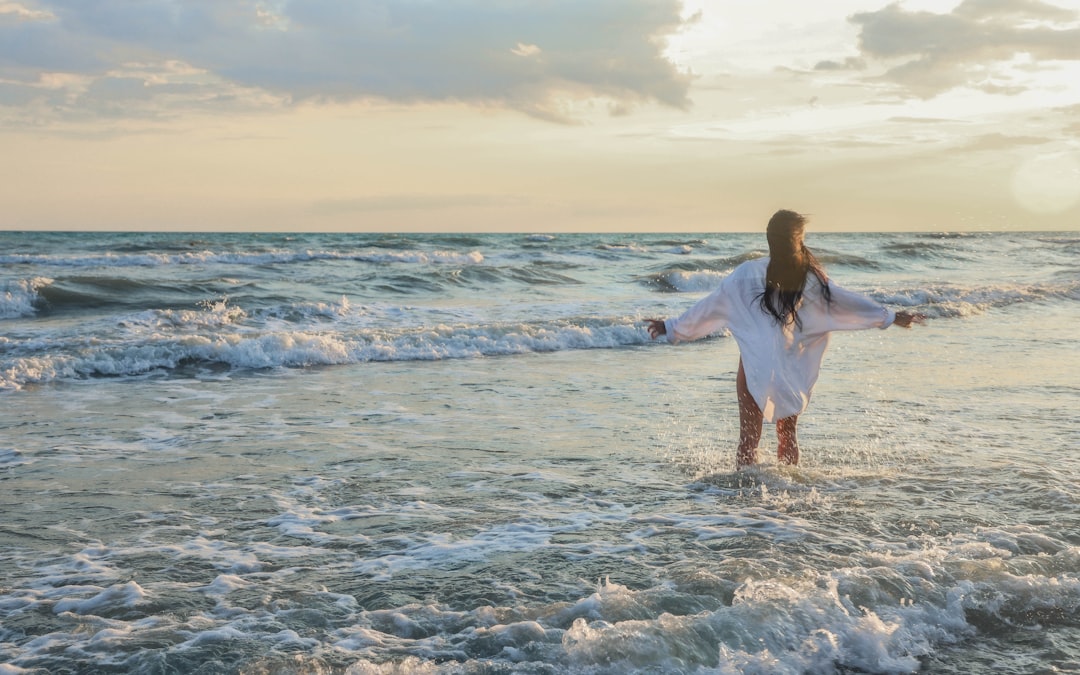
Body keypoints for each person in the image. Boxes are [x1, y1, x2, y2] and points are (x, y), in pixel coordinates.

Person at [646, 210, 924, 468]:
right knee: (787, 435)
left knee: (748, 439)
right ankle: (788, 493)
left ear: (769, 240)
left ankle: (746, 506)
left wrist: (671, 327)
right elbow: (847, 303)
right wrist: (889, 317)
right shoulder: (811, 278)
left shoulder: (745, 275)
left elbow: (710, 307)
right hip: (792, 365)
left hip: (754, 365)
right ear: (798, 240)